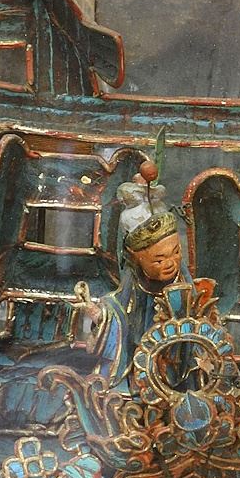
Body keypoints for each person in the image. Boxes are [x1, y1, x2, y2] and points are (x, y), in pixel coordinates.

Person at [73, 168, 196, 392]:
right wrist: (99, 314)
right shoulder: (134, 283)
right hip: (141, 356)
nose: (170, 263)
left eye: (176, 252)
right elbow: (118, 313)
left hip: (174, 359)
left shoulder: (183, 282)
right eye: (158, 260)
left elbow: (197, 320)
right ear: (136, 257)